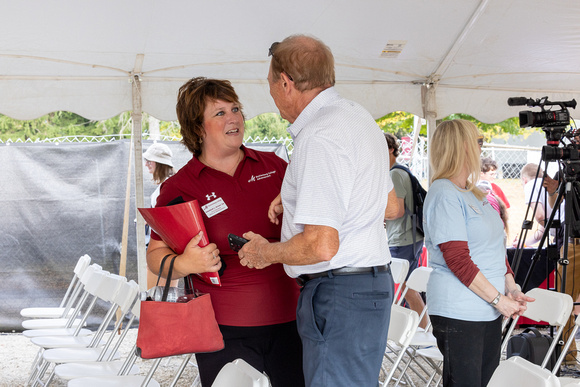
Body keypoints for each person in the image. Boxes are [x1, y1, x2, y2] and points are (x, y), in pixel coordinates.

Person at [237, 34, 399, 386]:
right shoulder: (359, 118)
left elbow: (322, 245)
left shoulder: (319, 135)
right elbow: (390, 206)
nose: (271, 93)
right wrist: (301, 195)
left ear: (286, 83)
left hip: (338, 291)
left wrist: (266, 252)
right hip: (369, 285)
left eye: (270, 84)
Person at [146, 77, 304, 387]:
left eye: (235, 109)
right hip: (224, 329)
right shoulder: (179, 187)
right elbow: (155, 257)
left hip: (293, 321)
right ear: (197, 128)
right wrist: (188, 264)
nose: (233, 118)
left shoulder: (276, 167)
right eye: (219, 113)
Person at [424, 119, 533, 387]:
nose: (482, 149)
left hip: (487, 310)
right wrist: (498, 300)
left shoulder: (476, 194)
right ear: (462, 147)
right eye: (479, 142)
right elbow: (457, 260)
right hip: (460, 311)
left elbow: (495, 247)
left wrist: (511, 287)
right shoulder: (444, 193)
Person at [383, 133, 428, 328]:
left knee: (408, 288)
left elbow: (397, 211)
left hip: (403, 239)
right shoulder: (401, 171)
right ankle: (422, 329)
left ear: (391, 149)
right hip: (408, 237)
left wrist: (379, 216)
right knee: (408, 287)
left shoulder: (394, 174)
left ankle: (423, 330)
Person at [143, 142, 178, 289]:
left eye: (149, 161)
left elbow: (170, 220)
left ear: (159, 163)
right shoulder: (166, 185)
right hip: (161, 247)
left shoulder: (169, 187)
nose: (146, 165)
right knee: (163, 295)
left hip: (163, 249)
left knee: (155, 295)